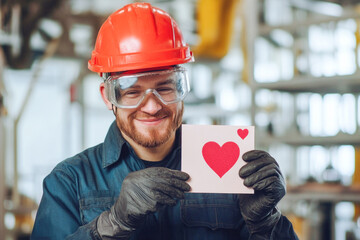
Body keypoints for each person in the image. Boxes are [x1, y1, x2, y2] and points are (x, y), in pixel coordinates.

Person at [31, 2, 299, 240]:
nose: (151, 105)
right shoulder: (69, 182)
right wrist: (111, 224)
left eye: (166, 88)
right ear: (107, 97)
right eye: (133, 92)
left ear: (183, 88)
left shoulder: (231, 175)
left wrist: (266, 223)